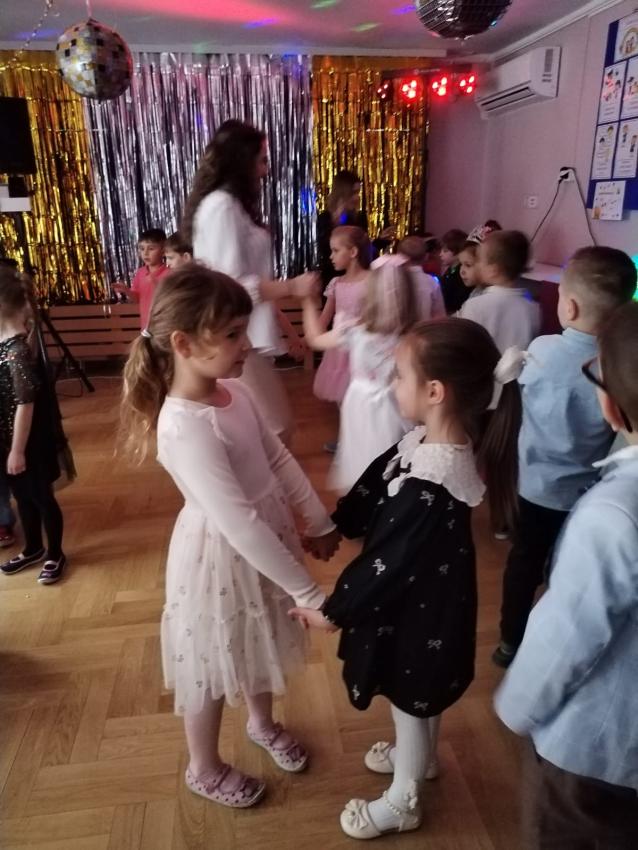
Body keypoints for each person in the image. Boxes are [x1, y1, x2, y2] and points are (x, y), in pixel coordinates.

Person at [290, 319, 522, 840]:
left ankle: (404, 799)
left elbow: (385, 562)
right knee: (419, 691)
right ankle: (421, 759)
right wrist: (337, 525)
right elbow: (377, 482)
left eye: (399, 375)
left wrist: (333, 612)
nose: (392, 384)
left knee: (410, 697)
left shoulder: (431, 488)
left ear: (435, 392)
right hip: (426, 603)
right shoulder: (428, 445)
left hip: (419, 611)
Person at [120, 264, 340, 809]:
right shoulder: (183, 425)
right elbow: (237, 521)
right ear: (184, 344)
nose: (247, 344)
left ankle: (261, 723)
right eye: (233, 334)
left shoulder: (234, 392)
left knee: (258, 636)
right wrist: (308, 592)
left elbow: (278, 458)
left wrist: (318, 519)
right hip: (220, 554)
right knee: (213, 660)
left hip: (264, 540)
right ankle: (203, 765)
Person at [494, 301, 638, 850]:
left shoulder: (614, 514)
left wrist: (516, 707)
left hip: (595, 753)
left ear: (611, 406)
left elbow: (569, 634)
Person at [492, 246, 637, 668]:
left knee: (523, 562)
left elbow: (510, 384)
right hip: (586, 496)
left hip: (533, 487)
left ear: (569, 306)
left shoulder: (543, 349)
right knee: (566, 569)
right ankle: (557, 641)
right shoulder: (615, 368)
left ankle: (510, 641)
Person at [180, 119, 317, 447]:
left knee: (267, 432)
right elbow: (229, 286)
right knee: (275, 430)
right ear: (241, 161)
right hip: (235, 335)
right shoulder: (221, 206)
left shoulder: (229, 206)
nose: (265, 170)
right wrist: (292, 287)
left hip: (244, 335)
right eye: (261, 160)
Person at [303, 255, 420, 494]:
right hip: (398, 403)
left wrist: (307, 302)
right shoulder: (415, 336)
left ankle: (365, 494)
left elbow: (315, 339)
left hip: (361, 403)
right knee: (393, 453)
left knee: (363, 452)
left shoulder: (354, 331)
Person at [0, 267, 66, 584]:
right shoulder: (4, 346)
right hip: (8, 439)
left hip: (27, 442)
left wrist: (17, 450)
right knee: (22, 496)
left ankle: (55, 553)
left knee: (41, 496)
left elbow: (25, 404)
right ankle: (33, 548)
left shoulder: (17, 351)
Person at [313, 226, 371, 406]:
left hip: (363, 346)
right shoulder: (336, 283)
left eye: (336, 251)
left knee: (363, 395)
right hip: (339, 348)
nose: (331, 256)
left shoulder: (372, 280)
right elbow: (325, 316)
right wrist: (309, 338)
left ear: (353, 252)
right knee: (343, 396)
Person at [459, 230, 540, 352]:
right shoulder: (533, 309)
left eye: (480, 260)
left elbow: (462, 347)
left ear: (493, 270)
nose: (478, 265)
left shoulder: (474, 306)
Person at [316, 170, 394, 285]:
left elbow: (363, 252)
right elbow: (324, 251)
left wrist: (380, 241)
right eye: (354, 193)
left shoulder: (359, 219)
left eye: (358, 193)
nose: (357, 197)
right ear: (343, 193)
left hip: (357, 280)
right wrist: (337, 220)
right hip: (331, 279)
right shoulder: (324, 219)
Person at [113, 228, 169, 330]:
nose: (145, 253)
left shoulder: (170, 273)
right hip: (146, 327)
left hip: (165, 327)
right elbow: (137, 299)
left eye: (151, 248)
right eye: (142, 249)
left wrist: (157, 285)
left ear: (163, 251)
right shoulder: (140, 272)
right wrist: (126, 290)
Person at [398, 236, 446, 320]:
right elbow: (439, 314)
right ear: (426, 257)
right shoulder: (432, 282)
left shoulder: (395, 280)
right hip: (425, 327)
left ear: (399, 257)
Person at [438, 228, 468, 313]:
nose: (440, 254)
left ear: (458, 252)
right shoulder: (450, 270)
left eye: (445, 251)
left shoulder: (461, 274)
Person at [457, 225, 491, 300]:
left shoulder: (488, 298)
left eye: (468, 265)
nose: (462, 271)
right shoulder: (475, 292)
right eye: (461, 264)